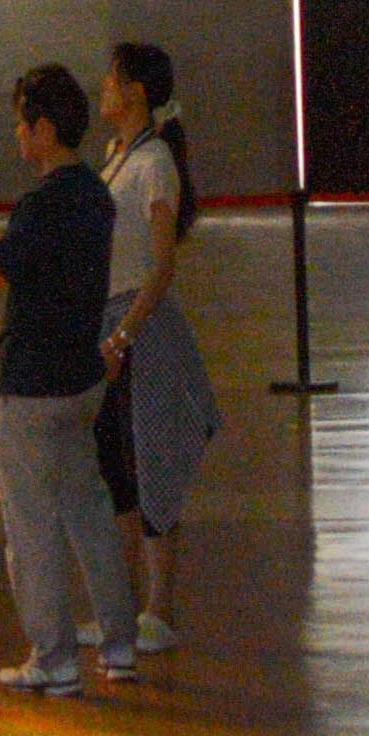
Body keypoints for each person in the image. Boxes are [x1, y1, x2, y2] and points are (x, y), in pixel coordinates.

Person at [0, 64, 135, 696]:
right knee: (88, 507)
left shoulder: (42, 202)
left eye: (21, 125)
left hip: (31, 384)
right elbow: (33, 255)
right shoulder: (93, 195)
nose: (17, 136)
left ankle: (52, 657)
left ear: (43, 129)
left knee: (30, 524)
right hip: (81, 377)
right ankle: (119, 640)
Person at [94, 39, 217, 659]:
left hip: (141, 330)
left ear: (137, 91)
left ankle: (158, 609)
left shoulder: (153, 164)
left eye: (112, 78)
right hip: (109, 323)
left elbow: (162, 265)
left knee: (151, 464)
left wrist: (124, 332)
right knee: (114, 471)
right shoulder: (114, 156)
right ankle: (120, 607)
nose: (104, 88)